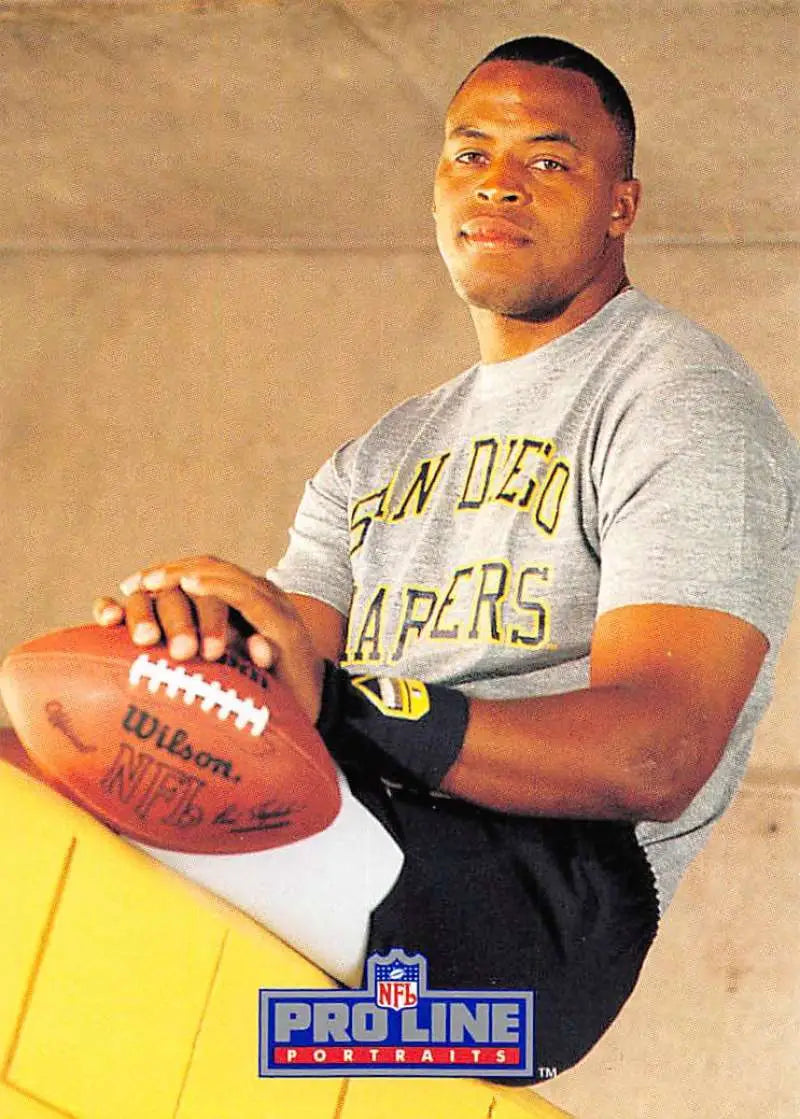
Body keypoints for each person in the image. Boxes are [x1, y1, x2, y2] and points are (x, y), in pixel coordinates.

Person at [10, 36, 800, 1081]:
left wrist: (339, 706)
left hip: (536, 927)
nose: (498, 184)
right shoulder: (377, 455)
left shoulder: (677, 399)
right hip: (369, 828)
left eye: (548, 160)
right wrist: (201, 638)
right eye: (467, 154)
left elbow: (654, 754)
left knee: (97, 747)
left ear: (621, 204)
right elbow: (278, 694)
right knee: (42, 732)